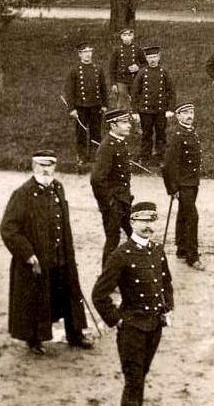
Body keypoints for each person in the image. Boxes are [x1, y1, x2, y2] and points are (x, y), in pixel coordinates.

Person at [1, 150, 93, 355]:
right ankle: (33, 340)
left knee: (68, 293)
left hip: (61, 255)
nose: (45, 169)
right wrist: (27, 254)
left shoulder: (58, 188)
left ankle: (75, 334)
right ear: (34, 167)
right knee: (35, 298)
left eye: (49, 165)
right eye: (41, 165)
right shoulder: (22, 193)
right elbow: (8, 228)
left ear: (54, 167)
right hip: (37, 258)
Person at [92, 201, 174, 406]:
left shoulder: (157, 250)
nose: (148, 226)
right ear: (132, 222)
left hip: (155, 327)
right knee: (134, 382)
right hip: (132, 330)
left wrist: (167, 308)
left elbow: (166, 282)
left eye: (152, 220)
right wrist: (117, 321)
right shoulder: (120, 255)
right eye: (143, 220)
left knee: (141, 376)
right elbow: (99, 294)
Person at [91, 109, 134, 268]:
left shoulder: (119, 142)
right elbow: (96, 179)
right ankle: (107, 277)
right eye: (124, 122)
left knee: (133, 235)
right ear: (113, 125)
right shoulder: (108, 146)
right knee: (113, 239)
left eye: (128, 122)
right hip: (114, 203)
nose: (128, 125)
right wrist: (108, 203)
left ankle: (134, 269)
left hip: (123, 200)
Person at [162, 101, 203, 269]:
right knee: (192, 217)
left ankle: (181, 248)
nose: (189, 116)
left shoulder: (191, 132)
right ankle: (192, 257)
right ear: (178, 116)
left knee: (183, 215)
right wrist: (173, 189)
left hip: (192, 182)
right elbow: (168, 165)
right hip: (183, 184)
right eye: (185, 113)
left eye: (191, 112)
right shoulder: (177, 135)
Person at [131, 46, 176, 165]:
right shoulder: (142, 73)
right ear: (146, 58)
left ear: (159, 57)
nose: (152, 60)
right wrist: (135, 111)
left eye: (155, 57)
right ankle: (144, 157)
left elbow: (171, 91)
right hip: (145, 110)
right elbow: (135, 92)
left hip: (161, 110)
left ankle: (160, 156)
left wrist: (170, 109)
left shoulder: (164, 72)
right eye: (150, 57)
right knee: (146, 134)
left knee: (161, 133)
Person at [65, 41, 108, 166]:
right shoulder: (75, 70)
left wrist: (105, 104)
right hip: (81, 107)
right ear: (80, 54)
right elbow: (70, 91)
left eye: (90, 52)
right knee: (81, 132)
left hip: (96, 106)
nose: (88, 55)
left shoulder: (98, 69)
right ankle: (82, 156)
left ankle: (95, 155)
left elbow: (103, 88)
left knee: (96, 131)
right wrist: (72, 108)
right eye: (85, 52)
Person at [109, 28, 146, 111]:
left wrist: (138, 67)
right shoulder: (117, 50)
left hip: (135, 80)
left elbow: (145, 64)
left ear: (132, 36)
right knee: (122, 101)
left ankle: (136, 118)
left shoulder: (137, 49)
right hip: (121, 80)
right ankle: (123, 119)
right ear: (121, 37)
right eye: (124, 35)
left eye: (129, 35)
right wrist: (113, 83)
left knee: (136, 99)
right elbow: (112, 68)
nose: (126, 37)